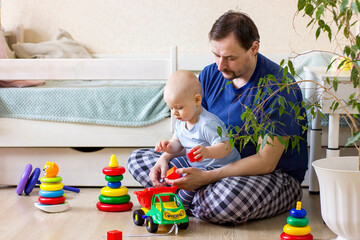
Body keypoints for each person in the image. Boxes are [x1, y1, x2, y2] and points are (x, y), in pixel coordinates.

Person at [128, 10, 308, 224]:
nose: (220, 65)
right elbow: (191, 129)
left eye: (230, 58)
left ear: (254, 48)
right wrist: (165, 158)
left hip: (271, 177)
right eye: (216, 55)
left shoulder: (278, 89)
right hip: (211, 166)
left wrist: (206, 178)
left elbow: (265, 162)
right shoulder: (210, 74)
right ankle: (189, 198)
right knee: (138, 160)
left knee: (226, 200)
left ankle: (178, 199)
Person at [154, 70, 241, 209]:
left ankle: (181, 208)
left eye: (179, 107)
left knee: (185, 191)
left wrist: (207, 152)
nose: (174, 113)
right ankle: (198, 201)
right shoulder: (181, 122)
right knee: (171, 171)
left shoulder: (207, 124)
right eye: (171, 108)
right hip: (197, 166)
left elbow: (226, 147)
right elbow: (178, 144)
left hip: (220, 168)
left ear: (197, 100)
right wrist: (168, 146)